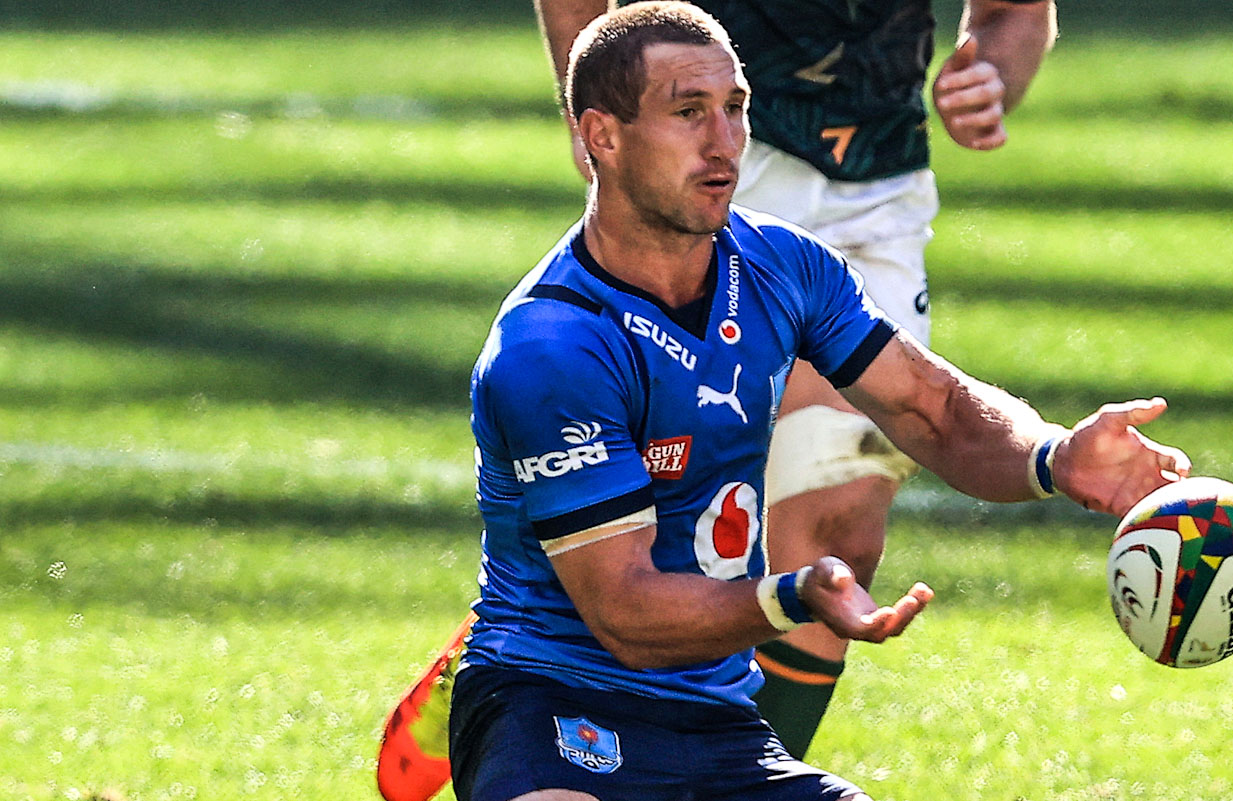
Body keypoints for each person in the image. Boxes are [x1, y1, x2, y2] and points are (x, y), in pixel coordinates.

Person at [437, 4, 1188, 800]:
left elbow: (932, 409)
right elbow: (625, 613)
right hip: (555, 702)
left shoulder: (786, 266)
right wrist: (791, 594)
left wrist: (1054, 456)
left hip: (716, 724)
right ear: (603, 136)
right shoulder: (552, 344)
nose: (724, 141)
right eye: (689, 113)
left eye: (735, 109)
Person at [545, 0, 1059, 760]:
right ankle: (530, 654)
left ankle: (732, 776)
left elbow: (1014, 11)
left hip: (879, 183)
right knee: (698, 519)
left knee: (840, 532)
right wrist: (593, 111)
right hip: (725, 151)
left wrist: (991, 74)